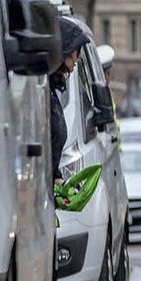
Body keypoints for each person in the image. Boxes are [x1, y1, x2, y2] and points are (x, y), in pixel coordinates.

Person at [49, 17, 92, 182]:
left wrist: (56, 177)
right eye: (77, 49)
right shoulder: (41, 90)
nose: (79, 57)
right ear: (64, 48)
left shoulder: (52, 90)